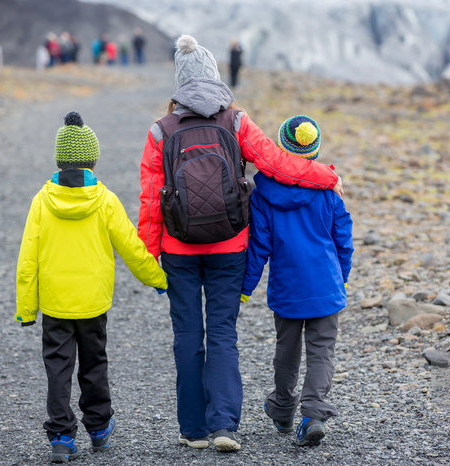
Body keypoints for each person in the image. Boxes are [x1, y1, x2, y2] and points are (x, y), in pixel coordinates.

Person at [137, 35, 343, 453]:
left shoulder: (161, 130)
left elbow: (150, 201)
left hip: (177, 251)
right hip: (230, 245)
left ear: (178, 84)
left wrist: (149, 257)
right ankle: (225, 426)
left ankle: (193, 430)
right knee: (223, 335)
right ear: (215, 76)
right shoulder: (235, 120)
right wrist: (328, 177)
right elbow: (277, 162)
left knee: (187, 336)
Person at [16, 111, 168, 463]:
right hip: (93, 302)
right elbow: (131, 247)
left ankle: (61, 436)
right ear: (93, 161)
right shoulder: (105, 200)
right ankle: (99, 429)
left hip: (55, 303)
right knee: (94, 363)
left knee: (58, 367)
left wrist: (26, 309)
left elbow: (27, 260)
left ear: (59, 161)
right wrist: (158, 280)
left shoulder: (42, 202)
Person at [240, 115, 353, 447]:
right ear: (314, 154)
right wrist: (340, 279)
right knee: (321, 353)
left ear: (280, 149)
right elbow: (343, 240)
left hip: (287, 289)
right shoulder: (329, 193)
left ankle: (283, 409)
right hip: (326, 288)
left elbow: (258, 247)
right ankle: (314, 415)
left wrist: (245, 289)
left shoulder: (262, 196)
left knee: (286, 352)